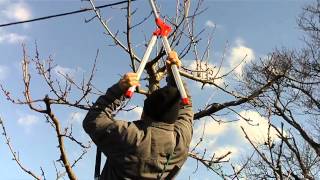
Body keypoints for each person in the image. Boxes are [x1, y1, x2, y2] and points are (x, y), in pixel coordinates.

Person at [83, 51, 193, 179]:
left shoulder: (130, 136)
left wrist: (119, 89)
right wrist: (175, 75)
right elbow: (186, 105)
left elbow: (93, 120)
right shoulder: (180, 141)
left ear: (144, 113)